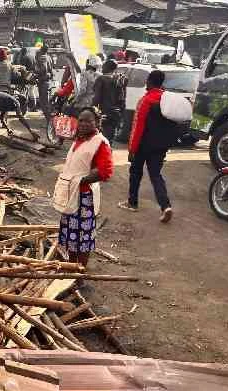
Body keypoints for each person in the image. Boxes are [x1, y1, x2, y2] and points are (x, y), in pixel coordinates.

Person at [54, 108, 114, 266]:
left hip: (84, 198)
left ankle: (80, 270)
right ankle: (72, 267)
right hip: (71, 194)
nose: (84, 124)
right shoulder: (79, 139)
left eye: (88, 121)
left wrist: (82, 181)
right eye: (81, 120)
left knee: (83, 238)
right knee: (71, 236)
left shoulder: (100, 142)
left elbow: (105, 171)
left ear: (97, 122)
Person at [119, 70, 178, 223]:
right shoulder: (165, 100)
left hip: (143, 145)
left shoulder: (146, 100)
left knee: (135, 173)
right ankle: (166, 206)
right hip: (160, 146)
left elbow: (137, 127)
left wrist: (132, 149)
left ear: (150, 82)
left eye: (147, 80)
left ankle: (132, 203)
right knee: (156, 176)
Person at [93, 59, 126, 145]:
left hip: (103, 113)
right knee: (109, 139)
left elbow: (97, 98)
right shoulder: (119, 80)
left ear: (107, 67)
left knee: (100, 139)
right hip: (115, 114)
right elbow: (122, 98)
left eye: (104, 66)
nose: (102, 68)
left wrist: (93, 110)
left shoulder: (101, 79)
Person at [35, 44, 54, 121]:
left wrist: (36, 72)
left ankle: (49, 122)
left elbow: (44, 69)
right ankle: (49, 121)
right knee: (47, 102)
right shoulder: (49, 57)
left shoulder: (42, 58)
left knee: (44, 103)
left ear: (42, 50)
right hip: (48, 81)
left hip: (43, 82)